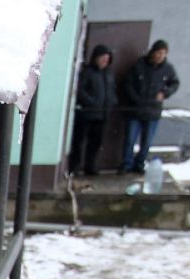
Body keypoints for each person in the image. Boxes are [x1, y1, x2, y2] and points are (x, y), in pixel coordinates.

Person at [119, 39, 179, 174]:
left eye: (163, 53)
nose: (160, 56)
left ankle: (139, 164)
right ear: (153, 52)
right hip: (135, 109)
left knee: (146, 142)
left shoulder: (168, 69)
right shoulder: (140, 65)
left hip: (153, 111)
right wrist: (135, 98)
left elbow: (175, 83)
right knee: (129, 140)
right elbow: (128, 83)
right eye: (158, 53)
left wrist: (165, 93)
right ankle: (126, 164)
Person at [68, 44, 115, 176]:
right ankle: (75, 167)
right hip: (87, 113)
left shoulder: (109, 74)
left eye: (107, 59)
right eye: (102, 58)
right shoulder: (87, 72)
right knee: (79, 141)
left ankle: (91, 166)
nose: (104, 61)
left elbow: (111, 91)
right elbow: (80, 91)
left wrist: (112, 101)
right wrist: (91, 102)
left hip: (102, 114)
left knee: (95, 143)